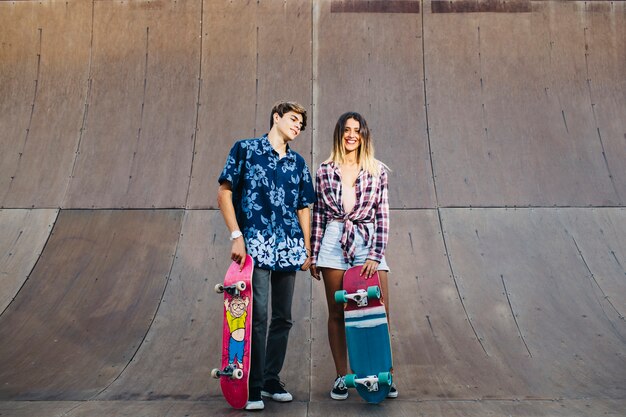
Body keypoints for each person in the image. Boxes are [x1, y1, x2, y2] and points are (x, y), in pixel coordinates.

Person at [217, 101, 316, 411]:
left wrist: (308, 248)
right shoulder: (245, 150)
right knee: (257, 316)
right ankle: (253, 385)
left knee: (283, 317)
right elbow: (224, 192)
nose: (297, 126)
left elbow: (303, 207)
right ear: (276, 117)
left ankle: (271, 378)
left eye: (301, 123)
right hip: (255, 244)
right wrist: (236, 235)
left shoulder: (298, 163)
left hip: (289, 245)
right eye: (293, 119)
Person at [309, 111, 397, 400]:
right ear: (339, 133)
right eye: (347, 130)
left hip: (366, 241)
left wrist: (375, 254)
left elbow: (382, 215)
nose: (351, 135)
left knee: (378, 309)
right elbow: (319, 214)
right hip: (334, 242)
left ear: (363, 135)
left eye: (357, 130)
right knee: (337, 312)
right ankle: (341, 377)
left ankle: (385, 376)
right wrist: (314, 252)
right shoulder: (324, 170)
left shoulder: (377, 170)